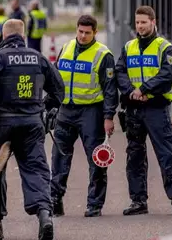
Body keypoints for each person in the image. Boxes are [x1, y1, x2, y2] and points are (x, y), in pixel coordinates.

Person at [0, 19, 64, 240]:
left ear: (4, 35)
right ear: (24, 35)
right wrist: (43, 108)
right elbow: (59, 90)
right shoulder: (38, 58)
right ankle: (45, 215)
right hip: (32, 125)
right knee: (36, 169)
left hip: (4, 124)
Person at [115, 5, 172, 216]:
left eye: (144, 22)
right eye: (137, 22)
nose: (140, 26)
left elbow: (166, 76)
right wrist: (131, 91)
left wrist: (144, 89)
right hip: (134, 108)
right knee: (135, 156)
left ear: (153, 22)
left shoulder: (164, 47)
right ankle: (138, 201)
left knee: (167, 154)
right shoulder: (128, 47)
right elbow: (120, 72)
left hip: (156, 108)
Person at [50, 15, 118, 218]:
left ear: (95, 32)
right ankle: (55, 200)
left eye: (87, 32)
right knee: (59, 158)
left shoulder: (103, 54)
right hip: (66, 111)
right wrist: (50, 106)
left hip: (91, 112)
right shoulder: (67, 47)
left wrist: (108, 117)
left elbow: (110, 90)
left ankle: (94, 204)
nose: (82, 36)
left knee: (96, 159)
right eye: (80, 31)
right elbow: (55, 79)